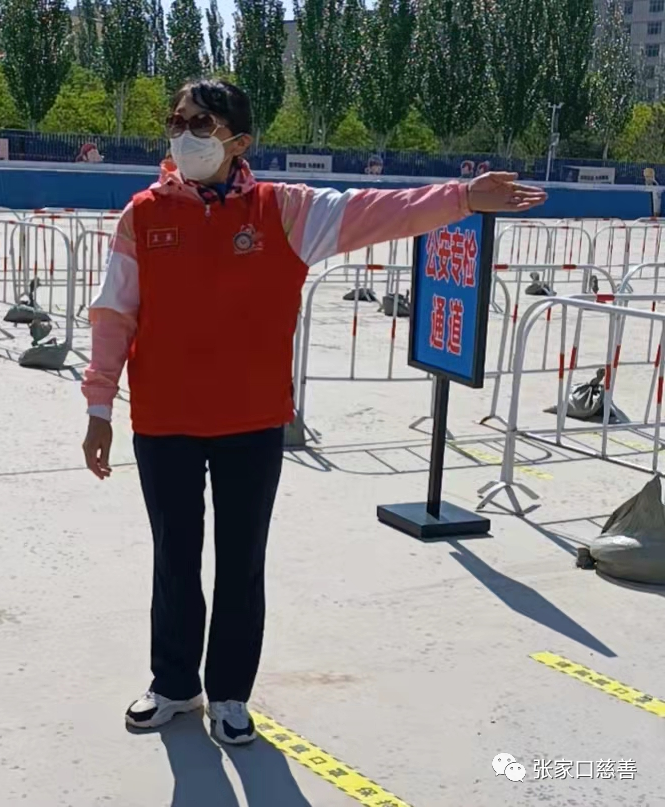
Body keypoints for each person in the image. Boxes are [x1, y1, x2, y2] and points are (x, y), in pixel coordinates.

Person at [81, 79, 546, 745]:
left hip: (250, 421)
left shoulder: (285, 211)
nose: (184, 134)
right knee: (174, 558)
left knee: (242, 561)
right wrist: (99, 405)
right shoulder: (143, 214)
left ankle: (230, 692)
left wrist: (462, 198)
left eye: (201, 124)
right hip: (164, 421)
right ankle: (175, 683)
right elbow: (113, 313)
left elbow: (380, 210)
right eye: (177, 121)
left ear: (239, 141)